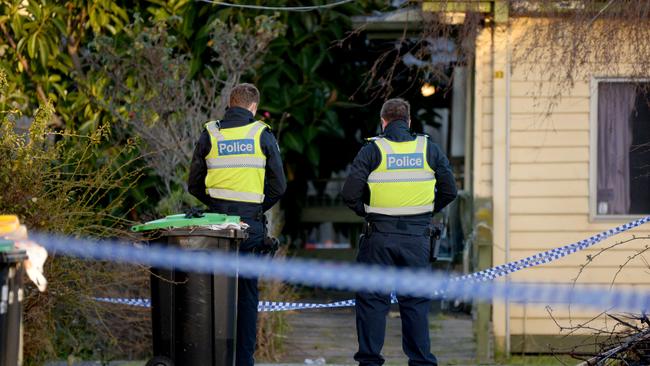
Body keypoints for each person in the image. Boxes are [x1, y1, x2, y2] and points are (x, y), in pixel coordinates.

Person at [341, 98, 457, 366]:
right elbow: (450, 190)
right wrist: (426, 211)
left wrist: (368, 211)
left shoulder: (372, 150)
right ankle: (421, 362)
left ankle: (369, 362)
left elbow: (349, 194)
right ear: (408, 122)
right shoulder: (428, 148)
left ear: (383, 122)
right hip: (417, 238)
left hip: (378, 236)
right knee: (415, 304)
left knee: (372, 303)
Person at [188, 83, 286, 366]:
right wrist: (254, 209)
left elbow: (194, 184)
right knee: (246, 296)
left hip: (214, 227)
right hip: (249, 228)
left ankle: (210, 358)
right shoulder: (261, 134)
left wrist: (218, 208)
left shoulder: (211, 132)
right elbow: (279, 186)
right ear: (253, 107)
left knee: (208, 295)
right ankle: (244, 362)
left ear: (230, 103)